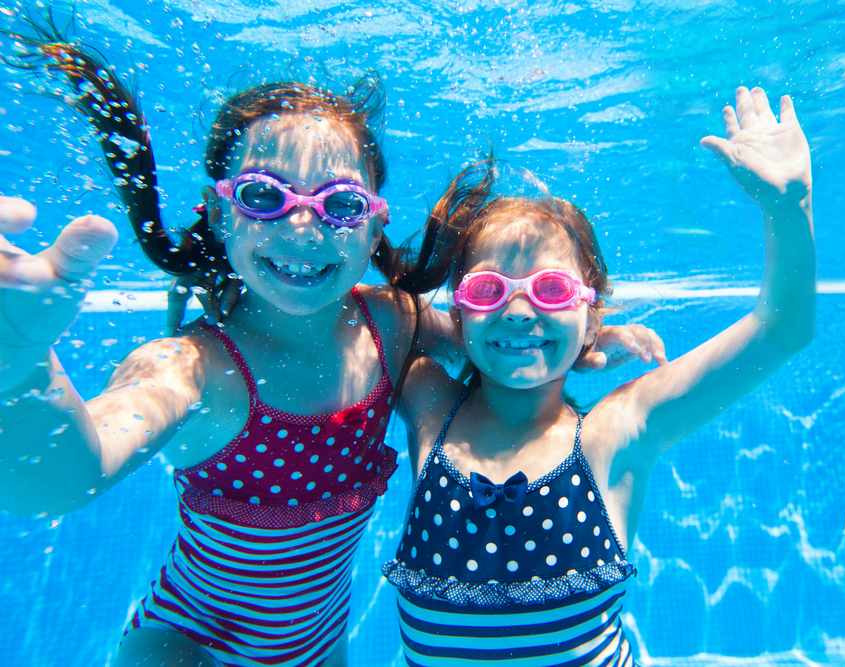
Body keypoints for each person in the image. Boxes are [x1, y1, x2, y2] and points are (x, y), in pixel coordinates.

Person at [0, 19, 665, 667]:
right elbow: (62, 479)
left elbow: (486, 336)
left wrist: (582, 328)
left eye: (339, 204)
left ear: (374, 220)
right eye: (264, 196)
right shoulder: (191, 369)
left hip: (320, 645)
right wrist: (17, 366)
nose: (303, 225)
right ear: (219, 210)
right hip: (188, 641)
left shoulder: (393, 325)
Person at [382, 86, 816, 666]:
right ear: (457, 312)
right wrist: (567, 338)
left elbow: (781, 331)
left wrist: (788, 210)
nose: (516, 311)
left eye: (551, 290)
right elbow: (371, 314)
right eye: (489, 290)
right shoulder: (429, 402)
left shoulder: (616, 432)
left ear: (593, 312)